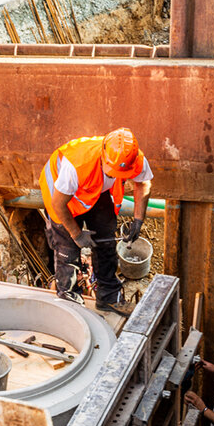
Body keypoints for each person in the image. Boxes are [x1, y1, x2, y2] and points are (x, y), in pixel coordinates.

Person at [37, 128, 153, 316]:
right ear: (102, 156)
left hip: (96, 190)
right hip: (61, 198)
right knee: (68, 251)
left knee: (106, 243)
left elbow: (143, 183)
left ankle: (108, 298)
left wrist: (138, 220)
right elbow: (58, 204)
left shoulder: (133, 158)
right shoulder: (77, 166)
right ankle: (71, 306)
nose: (118, 175)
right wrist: (76, 234)